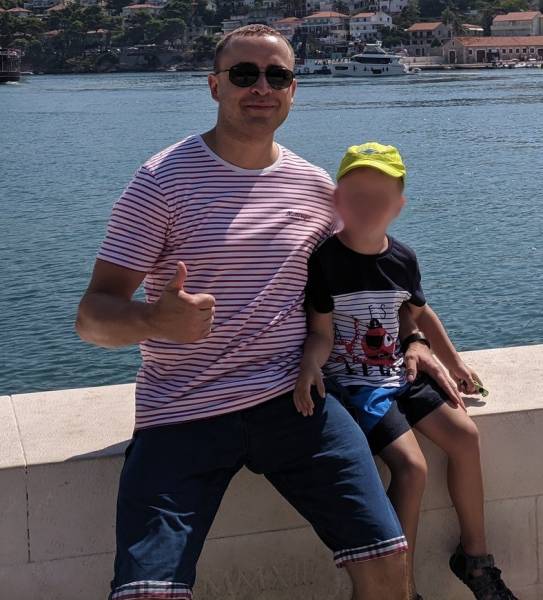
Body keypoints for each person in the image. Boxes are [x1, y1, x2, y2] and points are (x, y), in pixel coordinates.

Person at [76, 25, 460, 600]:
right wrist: (154, 321)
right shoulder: (161, 181)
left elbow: (371, 275)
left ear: (293, 91)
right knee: (147, 592)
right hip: (183, 409)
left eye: (276, 76)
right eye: (244, 74)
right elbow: (92, 315)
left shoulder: (312, 187)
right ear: (215, 86)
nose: (261, 87)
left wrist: (415, 339)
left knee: (387, 560)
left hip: (294, 401)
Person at [293, 142, 517, 600]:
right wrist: (310, 365)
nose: (367, 206)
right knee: (412, 468)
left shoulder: (403, 258)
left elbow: (418, 310)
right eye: (356, 195)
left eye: (380, 197)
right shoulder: (325, 262)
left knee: (466, 436)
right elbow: (320, 332)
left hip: (400, 375)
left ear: (399, 205)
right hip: (357, 386)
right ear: (338, 200)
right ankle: (402, 588)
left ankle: (476, 560)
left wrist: (454, 361)